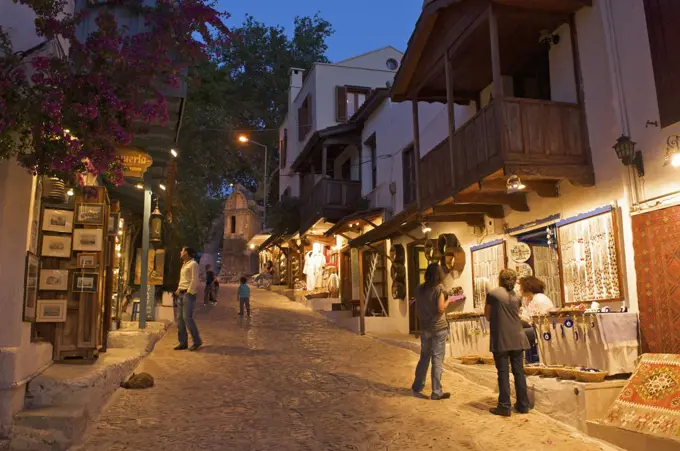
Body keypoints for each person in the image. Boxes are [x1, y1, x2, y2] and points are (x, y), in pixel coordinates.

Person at [485, 269, 530, 416]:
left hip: (501, 338)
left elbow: (487, 315)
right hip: (518, 337)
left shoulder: (493, 294)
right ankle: (523, 405)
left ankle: (504, 406)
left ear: (500, 279)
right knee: (519, 372)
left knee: (503, 372)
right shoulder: (517, 296)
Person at [412, 263, 453, 401]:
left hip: (425, 328)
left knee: (424, 357)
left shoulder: (419, 289)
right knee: (437, 359)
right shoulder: (439, 289)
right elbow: (441, 308)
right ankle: (436, 392)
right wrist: (449, 301)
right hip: (438, 328)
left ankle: (417, 385)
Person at [519, 276, 554, 363]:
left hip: (542, 329)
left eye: (521, 288)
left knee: (519, 333)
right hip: (534, 327)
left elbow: (540, 319)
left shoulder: (539, 299)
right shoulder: (529, 299)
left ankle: (525, 360)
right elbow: (527, 317)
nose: (520, 290)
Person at [174, 247, 202, 351]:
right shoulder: (184, 264)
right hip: (181, 293)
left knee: (187, 318)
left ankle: (197, 341)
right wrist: (178, 289)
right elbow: (184, 279)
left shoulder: (193, 264)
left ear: (187, 253)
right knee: (180, 319)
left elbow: (194, 279)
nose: (180, 252)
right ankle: (182, 342)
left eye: (182, 250)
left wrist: (189, 291)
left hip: (188, 294)